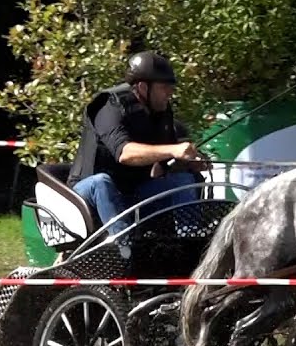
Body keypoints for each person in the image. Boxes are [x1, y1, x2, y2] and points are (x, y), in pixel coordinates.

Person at [67, 50, 209, 245]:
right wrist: (173, 150)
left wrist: (188, 163)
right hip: (85, 196)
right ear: (143, 87)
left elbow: (162, 165)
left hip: (132, 195)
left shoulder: (161, 111)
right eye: (164, 87)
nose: (170, 92)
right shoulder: (109, 106)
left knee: (184, 180)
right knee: (102, 182)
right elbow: (124, 153)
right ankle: (124, 248)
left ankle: (190, 242)